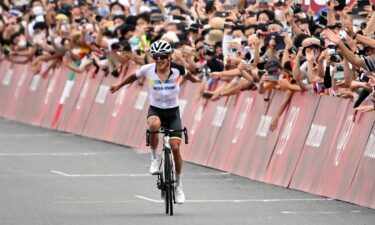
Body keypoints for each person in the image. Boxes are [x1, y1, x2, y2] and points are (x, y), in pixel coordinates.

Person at [110, 40, 201, 204]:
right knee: (153, 125)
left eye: (162, 57)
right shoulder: (148, 69)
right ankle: (153, 159)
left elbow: (188, 75)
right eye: (155, 56)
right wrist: (119, 85)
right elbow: (133, 76)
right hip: (156, 110)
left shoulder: (177, 69)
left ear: (169, 57)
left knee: (175, 147)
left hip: (173, 113)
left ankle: (179, 186)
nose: (158, 60)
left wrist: (195, 80)